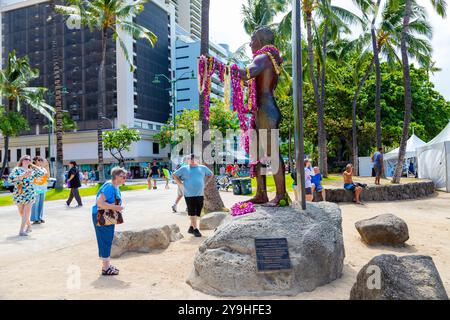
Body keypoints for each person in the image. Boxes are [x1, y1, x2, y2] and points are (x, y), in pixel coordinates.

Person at [235, 26, 288, 206]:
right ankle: (261, 194)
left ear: (261, 40)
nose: (250, 43)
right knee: (257, 155)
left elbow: (246, 73)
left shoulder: (263, 57)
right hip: (260, 111)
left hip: (266, 111)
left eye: (252, 39)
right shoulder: (269, 58)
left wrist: (221, 66)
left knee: (272, 153)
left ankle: (281, 195)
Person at [92, 167, 127, 276]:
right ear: (116, 177)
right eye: (123, 176)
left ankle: (106, 265)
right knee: (105, 240)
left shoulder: (115, 187)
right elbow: (99, 203)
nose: (125, 178)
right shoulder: (109, 187)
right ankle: (106, 268)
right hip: (101, 216)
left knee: (107, 239)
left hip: (107, 217)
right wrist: (115, 207)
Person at [173, 154, 214, 237]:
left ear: (197, 160)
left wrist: (206, 182)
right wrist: (180, 184)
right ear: (187, 160)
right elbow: (174, 175)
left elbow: (211, 174)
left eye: (193, 159)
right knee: (192, 211)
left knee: (198, 210)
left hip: (200, 193)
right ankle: (195, 229)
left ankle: (191, 227)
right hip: (189, 194)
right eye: (190, 159)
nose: (192, 160)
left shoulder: (202, 168)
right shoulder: (184, 168)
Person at [8, 155, 46, 236]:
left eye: (29, 159)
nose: (27, 160)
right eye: (26, 159)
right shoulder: (16, 169)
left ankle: (21, 230)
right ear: (22, 160)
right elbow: (10, 179)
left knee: (26, 212)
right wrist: (22, 176)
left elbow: (43, 173)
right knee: (21, 212)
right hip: (19, 193)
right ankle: (29, 226)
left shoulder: (32, 170)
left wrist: (34, 165)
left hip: (30, 193)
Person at [30, 157, 49, 224]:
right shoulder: (33, 169)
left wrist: (47, 166)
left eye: (41, 160)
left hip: (43, 187)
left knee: (41, 203)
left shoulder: (43, 168)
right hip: (35, 188)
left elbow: (47, 176)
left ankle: (40, 218)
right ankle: (35, 219)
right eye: (39, 160)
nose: (41, 161)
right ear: (35, 161)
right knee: (35, 204)